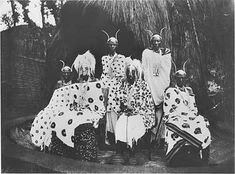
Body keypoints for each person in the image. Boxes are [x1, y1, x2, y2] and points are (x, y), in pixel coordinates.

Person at [30, 51, 105, 162]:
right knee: (61, 118)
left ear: (90, 69)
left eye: (86, 69)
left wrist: (88, 107)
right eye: (82, 69)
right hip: (76, 110)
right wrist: (74, 105)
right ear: (79, 70)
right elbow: (71, 98)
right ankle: (61, 148)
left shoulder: (95, 83)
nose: (84, 71)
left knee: (80, 121)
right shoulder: (76, 84)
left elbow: (96, 102)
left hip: (90, 111)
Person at [163, 60, 211, 166]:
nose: (181, 80)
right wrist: (179, 115)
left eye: (183, 78)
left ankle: (202, 156)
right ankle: (175, 157)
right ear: (175, 79)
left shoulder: (189, 91)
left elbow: (193, 107)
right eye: (179, 78)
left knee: (202, 122)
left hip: (188, 117)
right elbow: (168, 108)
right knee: (176, 125)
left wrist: (192, 115)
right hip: (175, 117)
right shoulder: (170, 91)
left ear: (186, 79)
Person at [115, 59, 155, 152]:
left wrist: (135, 110)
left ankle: (132, 148)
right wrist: (124, 107)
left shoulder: (143, 85)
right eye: (128, 72)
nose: (130, 75)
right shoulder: (123, 85)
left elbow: (147, 104)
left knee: (133, 123)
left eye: (132, 72)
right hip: (126, 114)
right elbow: (120, 100)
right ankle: (125, 147)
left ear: (136, 73)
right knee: (121, 123)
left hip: (141, 114)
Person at [141, 28, 172, 145]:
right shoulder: (146, 53)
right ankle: (150, 137)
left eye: (158, 41)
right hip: (151, 83)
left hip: (160, 84)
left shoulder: (164, 53)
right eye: (154, 41)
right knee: (150, 109)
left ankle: (160, 137)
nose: (156, 43)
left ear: (161, 42)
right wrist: (149, 83)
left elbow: (166, 69)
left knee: (161, 110)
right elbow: (145, 69)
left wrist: (164, 56)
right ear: (151, 42)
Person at [100, 29, 127, 145]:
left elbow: (121, 73)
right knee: (106, 109)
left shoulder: (121, 58)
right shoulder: (104, 58)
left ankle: (118, 136)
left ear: (117, 46)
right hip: (106, 84)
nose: (112, 46)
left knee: (117, 109)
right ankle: (106, 136)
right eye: (110, 44)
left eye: (114, 44)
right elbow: (104, 72)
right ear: (107, 45)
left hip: (116, 85)